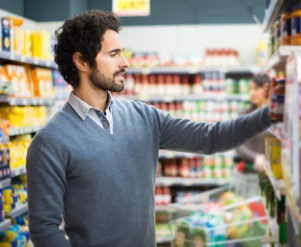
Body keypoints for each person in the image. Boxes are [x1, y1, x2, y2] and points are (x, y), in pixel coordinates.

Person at [26, 10, 275, 247]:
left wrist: (271, 111)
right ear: (81, 61)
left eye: (123, 53)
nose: (125, 62)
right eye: (113, 54)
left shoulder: (144, 117)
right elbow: (44, 228)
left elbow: (212, 138)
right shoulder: (51, 141)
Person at [235, 74, 270, 171]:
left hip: (273, 174)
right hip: (248, 172)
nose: (252, 93)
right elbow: (237, 144)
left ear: (267, 90)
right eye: (250, 89)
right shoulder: (244, 115)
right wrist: (256, 157)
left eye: (256, 89)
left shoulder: (276, 115)